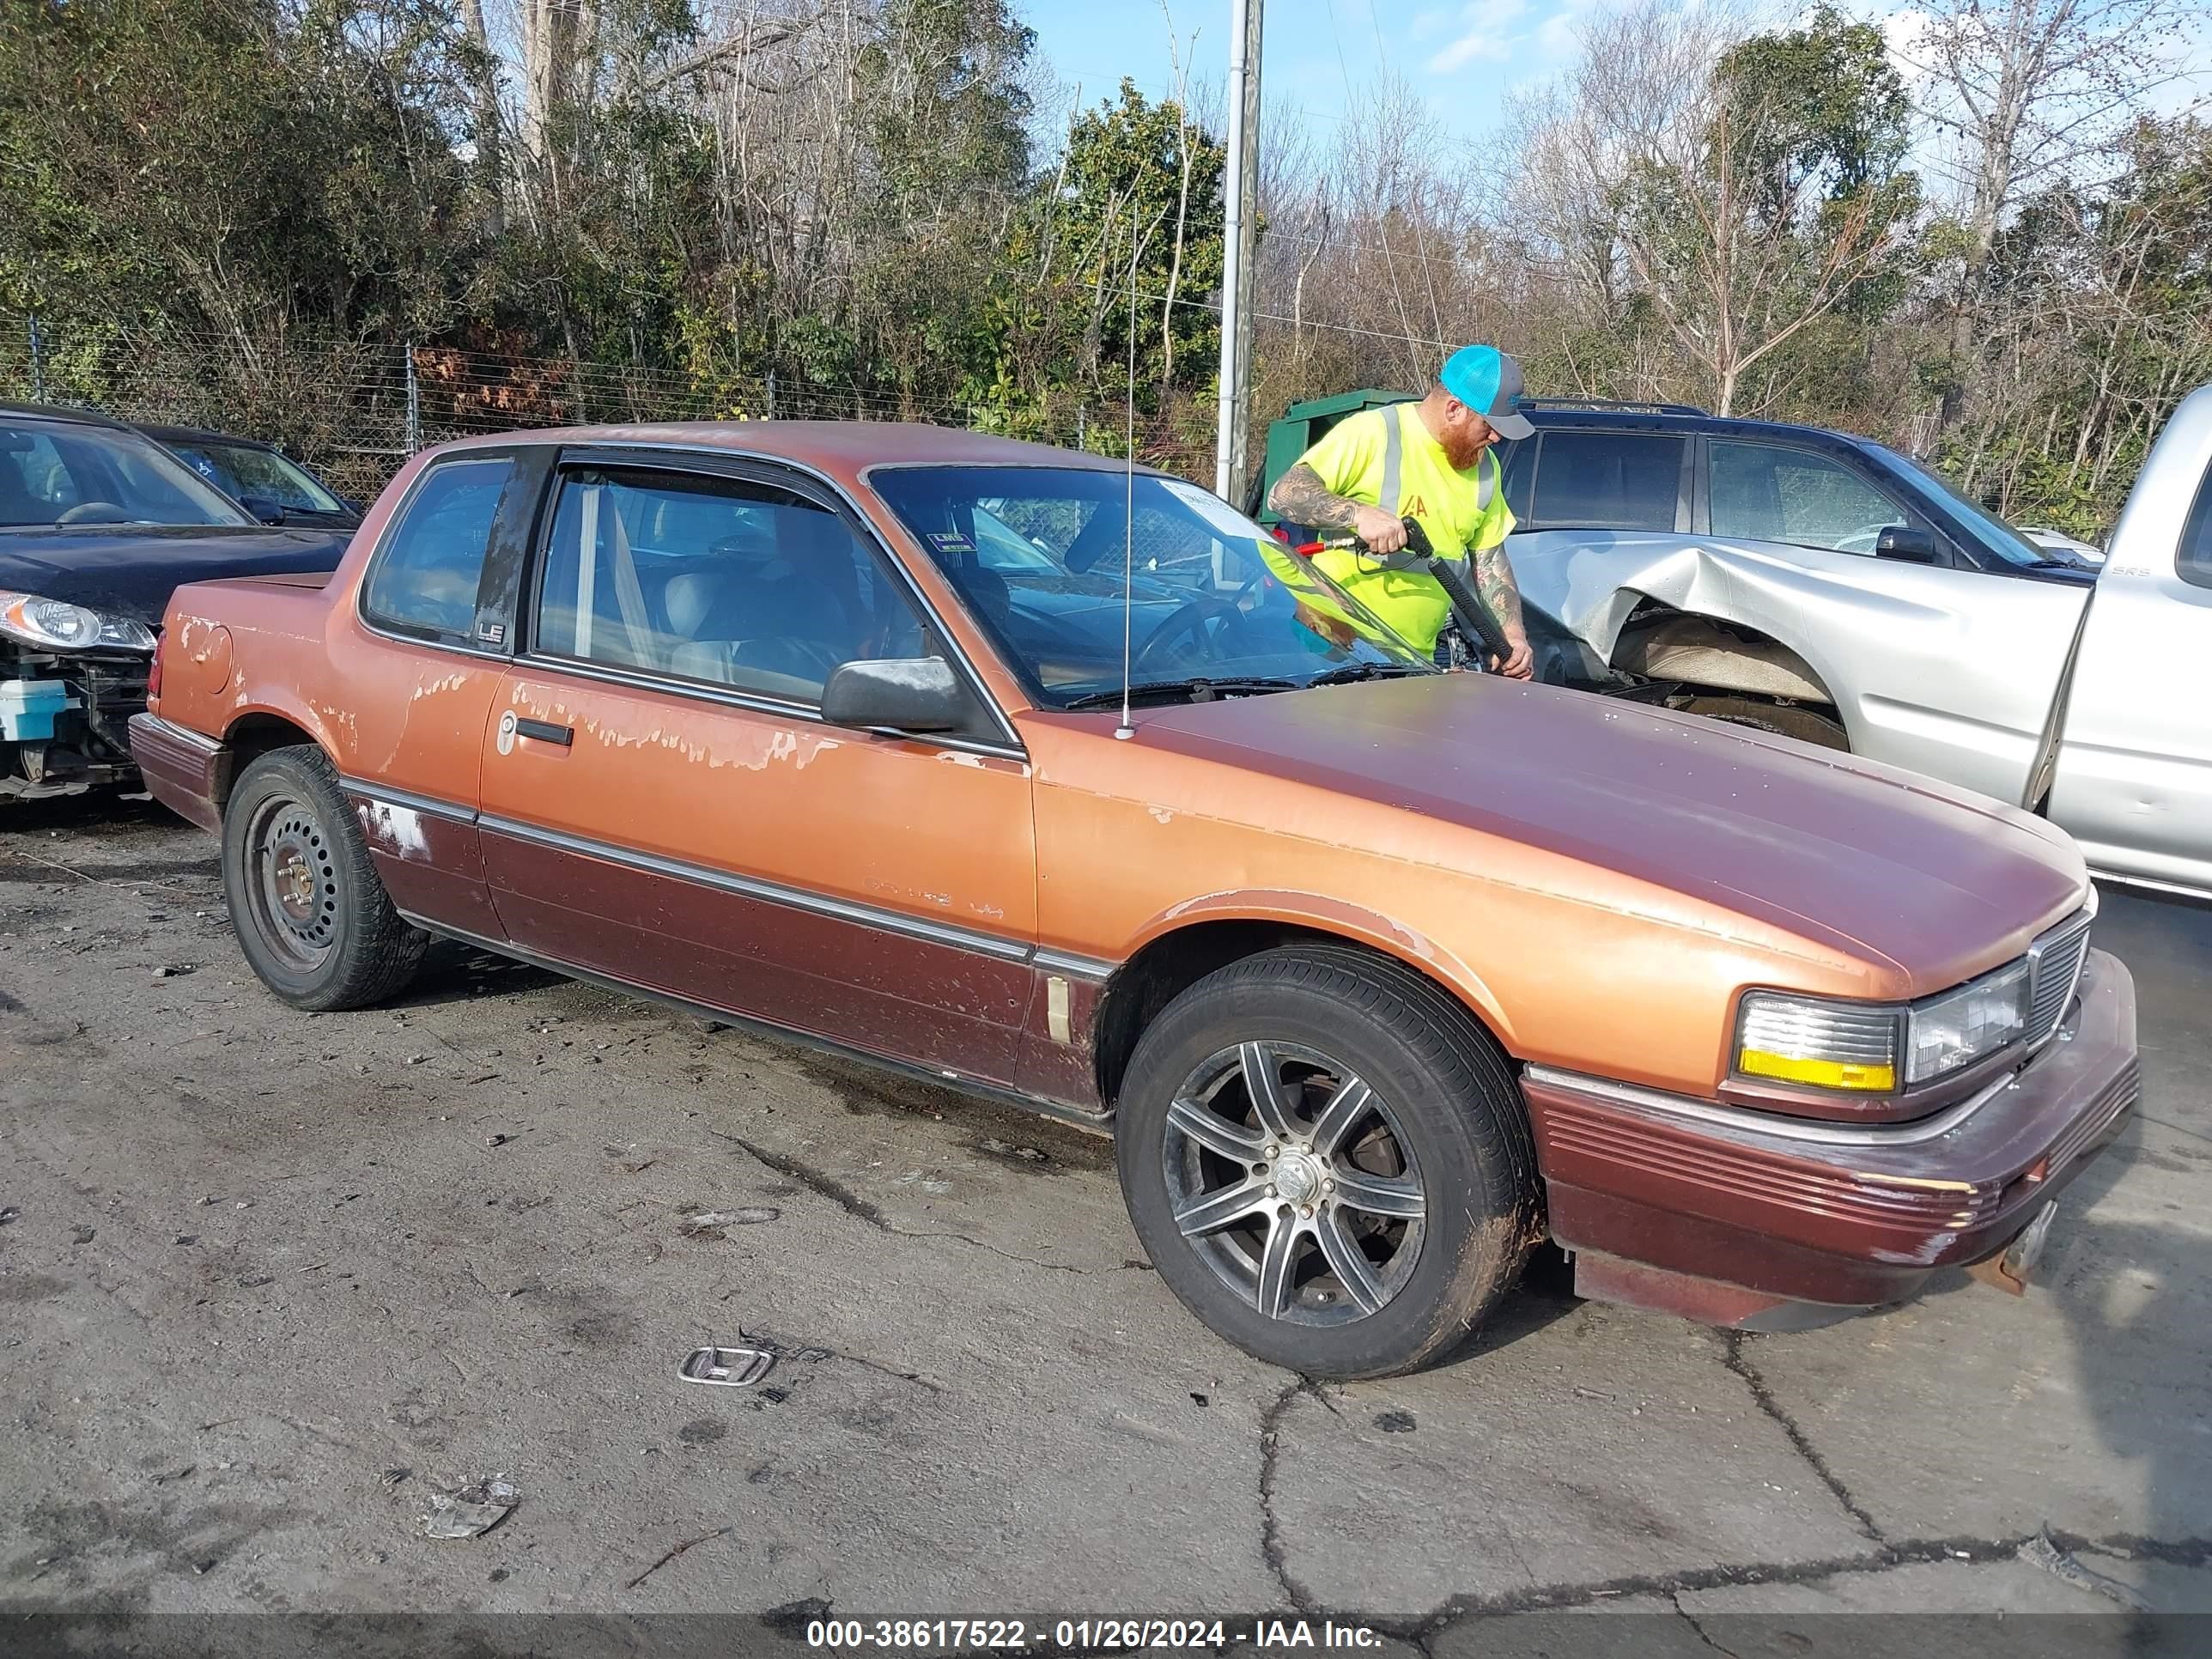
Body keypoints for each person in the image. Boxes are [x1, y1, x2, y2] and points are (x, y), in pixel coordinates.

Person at [1267, 344, 1535, 678]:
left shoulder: (1484, 469)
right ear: (1454, 410)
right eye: (1488, 426)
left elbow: (1490, 561)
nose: (1496, 438)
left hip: (1412, 662)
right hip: (1335, 651)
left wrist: (1512, 635)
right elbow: (1284, 494)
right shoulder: (1374, 433)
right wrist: (1357, 514)